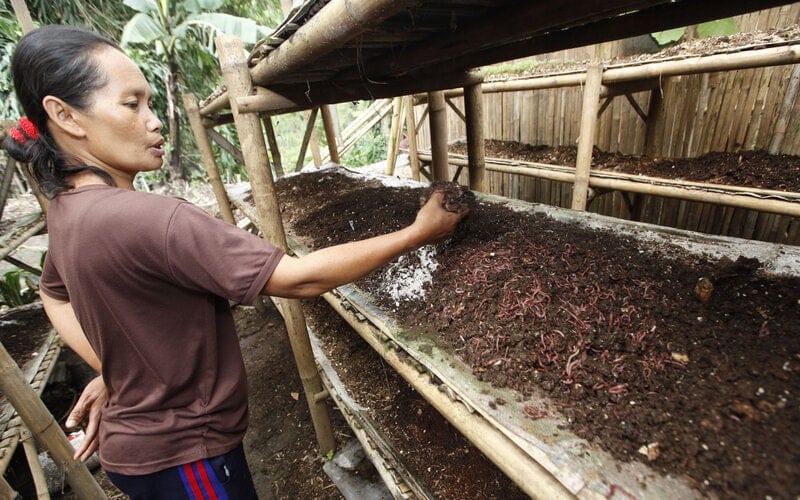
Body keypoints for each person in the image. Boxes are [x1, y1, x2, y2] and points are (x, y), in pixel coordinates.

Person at [3, 25, 467, 499]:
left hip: (138, 452)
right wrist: (419, 232)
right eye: (131, 103)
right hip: (186, 456)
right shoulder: (151, 219)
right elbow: (298, 278)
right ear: (65, 116)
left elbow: (52, 294)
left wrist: (115, 371)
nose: (155, 120)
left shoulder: (65, 211)